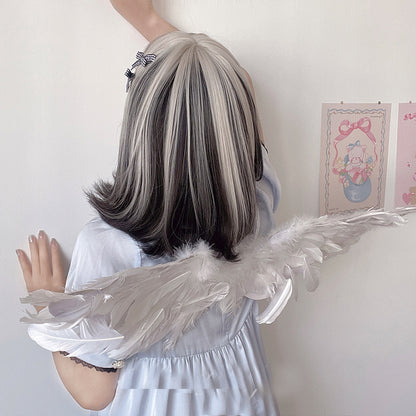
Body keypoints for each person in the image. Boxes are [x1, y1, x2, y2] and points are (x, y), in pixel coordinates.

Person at [16, 1, 282, 414]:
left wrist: (46, 305)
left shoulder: (109, 245)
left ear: (138, 133)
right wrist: (151, 22)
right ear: (237, 129)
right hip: (242, 399)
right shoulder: (255, 204)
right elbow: (241, 82)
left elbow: (93, 392)